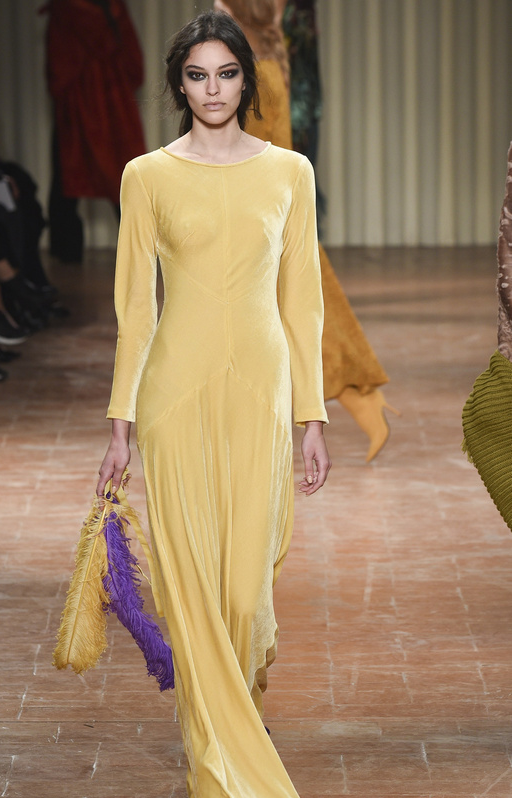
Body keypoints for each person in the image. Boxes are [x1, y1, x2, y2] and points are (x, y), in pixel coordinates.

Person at [96, 10, 330, 798]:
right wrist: (120, 425)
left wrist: (311, 416)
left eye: (226, 73)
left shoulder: (290, 172)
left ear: (246, 80)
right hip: (175, 399)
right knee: (193, 597)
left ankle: (235, 733)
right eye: (197, 75)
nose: (213, 89)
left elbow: (302, 303)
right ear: (178, 85)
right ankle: (215, 790)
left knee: (242, 596)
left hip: (261, 397)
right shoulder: (147, 176)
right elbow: (135, 308)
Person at [216, 0, 398, 462]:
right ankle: (361, 399)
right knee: (304, 315)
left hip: (265, 219)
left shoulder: (249, 74)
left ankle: (358, 398)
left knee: (295, 320)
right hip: (273, 213)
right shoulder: (265, 63)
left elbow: (252, 150)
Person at [43, 0, 147, 263]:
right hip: (114, 99)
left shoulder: (64, 9)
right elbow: (134, 63)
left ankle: (67, 252)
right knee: (123, 174)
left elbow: (58, 66)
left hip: (77, 100)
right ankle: (138, 250)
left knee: (68, 174)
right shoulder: (113, 7)